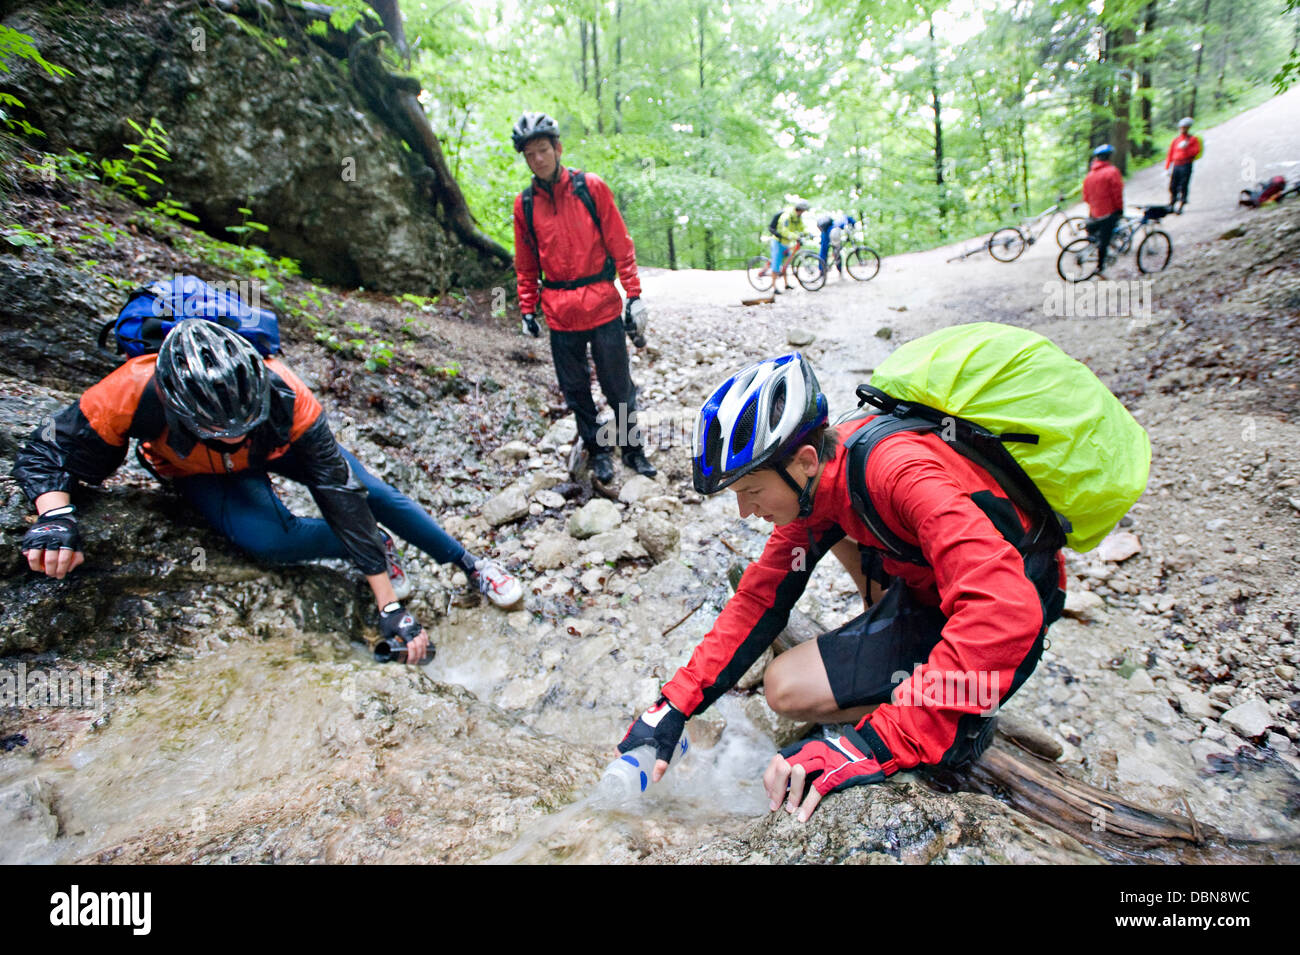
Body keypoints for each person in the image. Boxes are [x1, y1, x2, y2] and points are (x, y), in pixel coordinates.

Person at [617, 354, 1064, 821]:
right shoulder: (814, 489)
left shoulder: (899, 473)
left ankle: (962, 726)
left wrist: (878, 743)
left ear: (805, 460)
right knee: (784, 688)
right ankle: (928, 690)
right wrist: (672, 706)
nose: (745, 512)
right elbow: (759, 599)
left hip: (1011, 609)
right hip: (928, 592)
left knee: (926, 724)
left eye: (751, 491)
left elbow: (1004, 612)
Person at [13, 320, 522, 664]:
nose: (232, 433)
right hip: (200, 472)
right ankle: (371, 545)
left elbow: (339, 492)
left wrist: (390, 609)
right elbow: (44, 449)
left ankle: (471, 564)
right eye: (218, 426)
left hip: (278, 448)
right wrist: (55, 515)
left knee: (373, 495)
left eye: (240, 420)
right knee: (269, 542)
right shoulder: (130, 388)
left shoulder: (285, 391)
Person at [511, 111, 656, 486]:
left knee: (617, 386)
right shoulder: (525, 205)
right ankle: (599, 452)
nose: (538, 159)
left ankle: (632, 448)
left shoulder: (590, 188)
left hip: (603, 306)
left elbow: (621, 245)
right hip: (559, 314)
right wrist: (528, 307)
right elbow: (525, 263)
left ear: (557, 149)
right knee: (576, 392)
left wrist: (634, 295)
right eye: (530, 154)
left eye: (543, 150)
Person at [1082, 143, 1124, 277]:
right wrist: (1119, 209)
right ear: (1108, 157)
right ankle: (1100, 267)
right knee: (1105, 240)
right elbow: (1117, 193)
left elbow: (1086, 197)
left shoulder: (1089, 175)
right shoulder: (1112, 171)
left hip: (1095, 213)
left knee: (1099, 235)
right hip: (1108, 212)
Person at [768, 201, 809, 294]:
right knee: (776, 264)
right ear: (799, 210)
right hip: (778, 242)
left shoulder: (797, 218)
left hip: (787, 243)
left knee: (786, 263)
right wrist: (796, 236)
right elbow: (784, 231)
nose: (803, 213)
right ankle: (774, 287)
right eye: (802, 211)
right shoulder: (786, 216)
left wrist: (808, 233)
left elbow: (802, 227)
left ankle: (786, 284)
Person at [1164, 117, 1202, 214]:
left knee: (1183, 185)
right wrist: (1167, 167)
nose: (1183, 129)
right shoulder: (1176, 140)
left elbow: (1195, 151)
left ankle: (1181, 205)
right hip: (1176, 165)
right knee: (1173, 185)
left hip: (1186, 164)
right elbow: (1170, 153)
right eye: (1181, 127)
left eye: (1185, 127)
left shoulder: (1192, 139)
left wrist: (1187, 147)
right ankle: (1172, 203)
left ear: (1188, 128)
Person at [816, 211, 857, 277]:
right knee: (835, 252)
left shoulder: (839, 221)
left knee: (827, 252)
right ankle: (833, 269)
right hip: (832, 233)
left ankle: (823, 270)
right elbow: (851, 221)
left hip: (832, 233)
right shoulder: (842, 220)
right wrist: (853, 225)